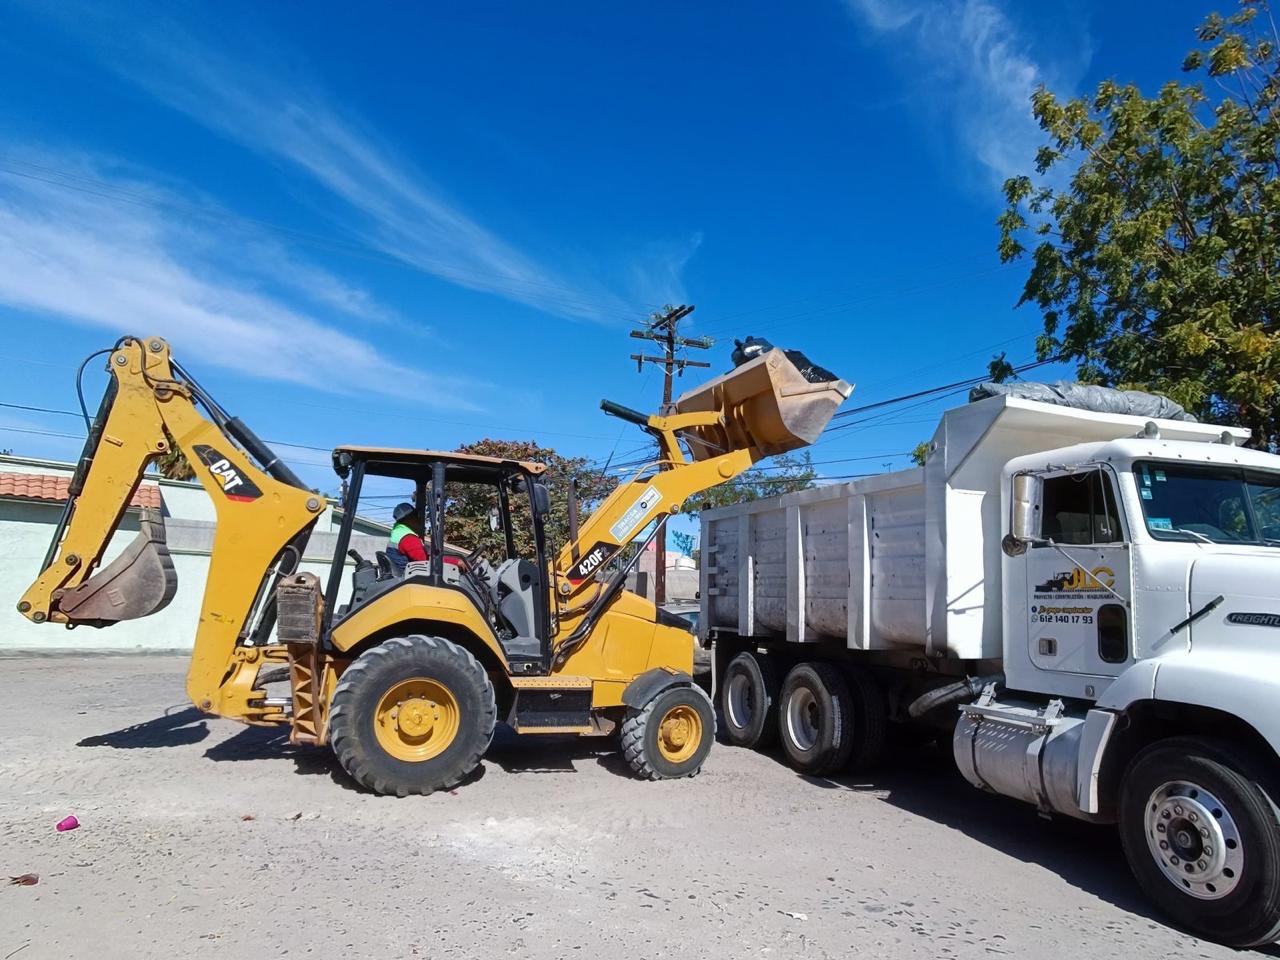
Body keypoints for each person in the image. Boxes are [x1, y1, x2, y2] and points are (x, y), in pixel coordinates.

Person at [386, 502, 465, 576]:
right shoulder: (408, 538)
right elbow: (426, 563)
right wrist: (456, 562)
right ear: (409, 518)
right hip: (409, 578)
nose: (418, 519)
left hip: (405, 575)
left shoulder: (399, 532)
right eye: (416, 515)